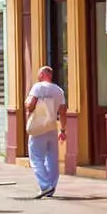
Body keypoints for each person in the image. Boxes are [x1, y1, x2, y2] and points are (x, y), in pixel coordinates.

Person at [24, 66, 67, 199]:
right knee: (52, 158)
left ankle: (45, 185)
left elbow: (30, 104)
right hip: (52, 127)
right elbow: (63, 111)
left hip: (38, 128)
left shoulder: (38, 87)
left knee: (36, 158)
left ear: (42, 74)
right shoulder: (59, 90)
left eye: (38, 74)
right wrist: (63, 130)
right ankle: (52, 186)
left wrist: (27, 105)